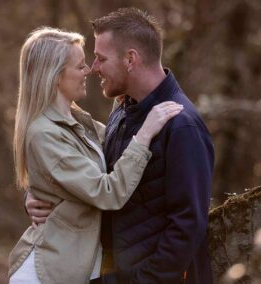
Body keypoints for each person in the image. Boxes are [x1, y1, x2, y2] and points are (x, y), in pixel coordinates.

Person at [26, 7, 215, 284]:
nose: (94, 68)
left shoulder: (182, 125)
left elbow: (187, 227)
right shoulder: (124, 111)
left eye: (101, 58)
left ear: (130, 59)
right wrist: (38, 195)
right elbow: (86, 172)